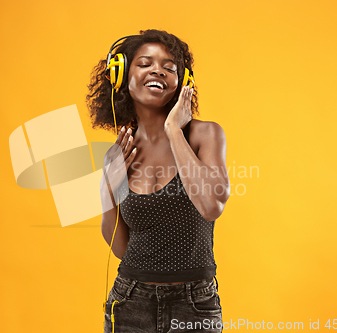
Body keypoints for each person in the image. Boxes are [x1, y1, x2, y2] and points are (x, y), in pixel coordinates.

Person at [87, 29, 230, 333]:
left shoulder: (204, 135)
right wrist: (107, 190)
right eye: (145, 63)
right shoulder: (119, 152)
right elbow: (121, 248)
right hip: (128, 301)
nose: (157, 71)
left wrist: (174, 131)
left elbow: (211, 205)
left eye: (169, 67)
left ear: (183, 82)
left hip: (193, 305)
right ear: (122, 75)